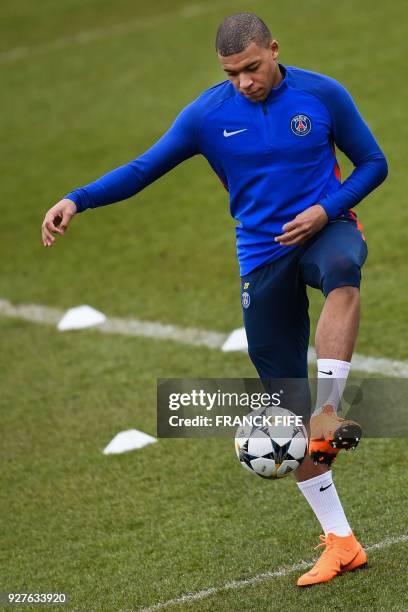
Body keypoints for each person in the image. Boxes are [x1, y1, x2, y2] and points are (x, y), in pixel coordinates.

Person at [41, 13, 387, 586]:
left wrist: (328, 210)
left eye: (253, 67)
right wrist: (77, 199)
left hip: (326, 227)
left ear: (274, 50)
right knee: (288, 414)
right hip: (261, 253)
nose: (245, 81)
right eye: (232, 73)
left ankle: (332, 403)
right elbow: (144, 168)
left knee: (344, 266)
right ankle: (342, 541)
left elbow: (374, 163)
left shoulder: (322, 94)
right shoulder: (208, 114)